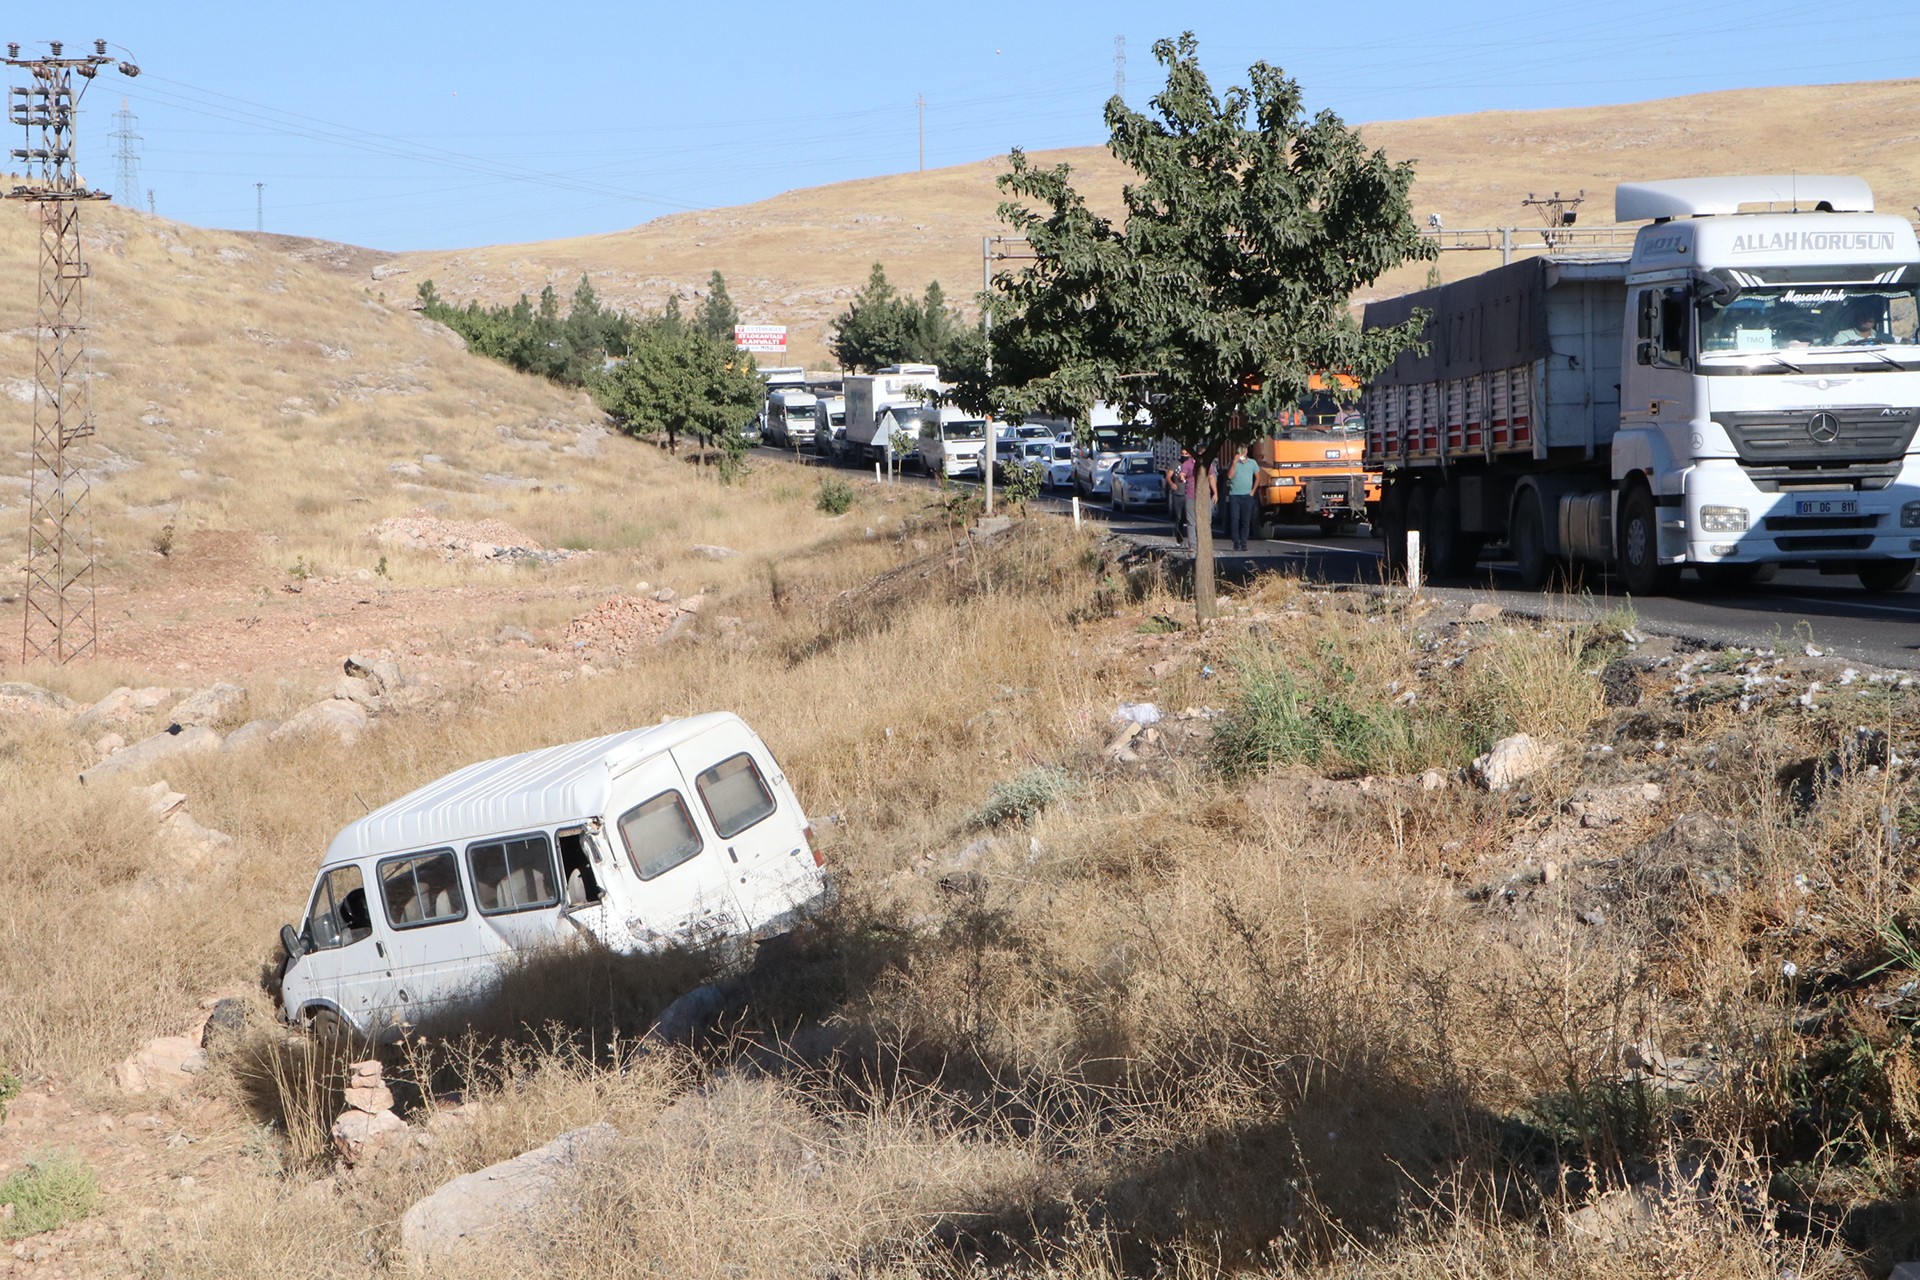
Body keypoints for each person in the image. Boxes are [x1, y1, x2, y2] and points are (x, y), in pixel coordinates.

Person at [1226, 443, 1261, 552]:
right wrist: (1234, 462)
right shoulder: (1233, 463)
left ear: (1246, 452)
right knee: (1235, 519)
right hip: (1234, 495)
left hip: (1247, 495)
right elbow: (1229, 476)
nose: (1241, 453)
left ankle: (1244, 543)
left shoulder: (1252, 463)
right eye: (1239, 452)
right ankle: (1236, 542)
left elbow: (1258, 478)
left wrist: (1252, 492)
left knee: (1246, 520)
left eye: (1242, 451)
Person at [1167, 448, 1192, 546]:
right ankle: (1179, 537)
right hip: (1178, 494)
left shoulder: (1191, 464)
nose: (1184, 455)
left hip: (1189, 493)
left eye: (1186, 453)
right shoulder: (1175, 463)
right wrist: (1172, 483)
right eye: (1182, 453)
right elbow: (1168, 476)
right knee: (1179, 517)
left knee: (1190, 517)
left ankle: (1191, 540)